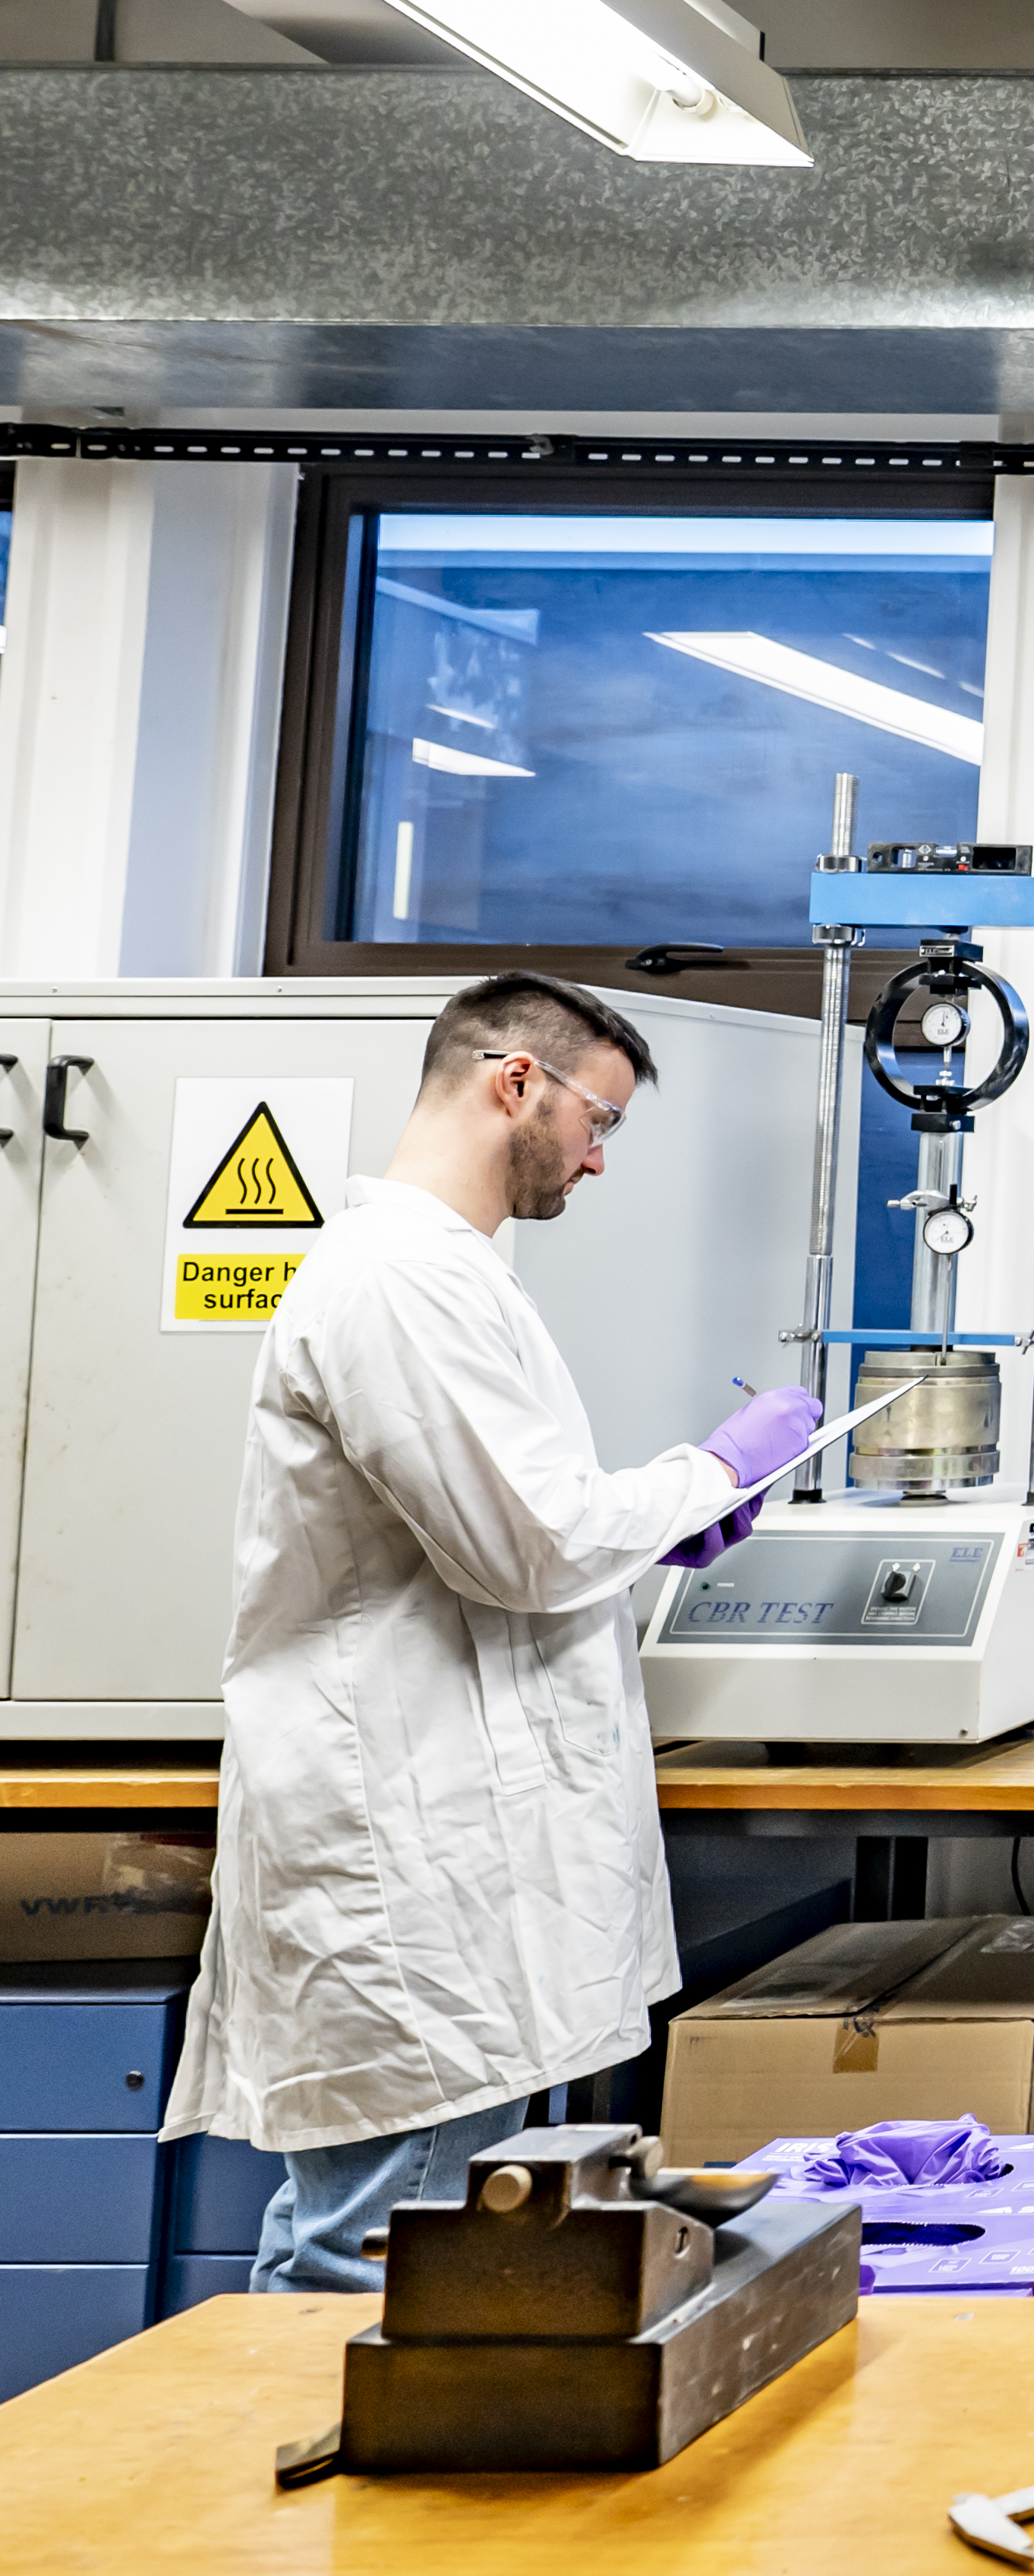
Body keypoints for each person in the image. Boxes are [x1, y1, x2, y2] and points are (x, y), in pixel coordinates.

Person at [162, 975, 818, 2288]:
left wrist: (659, 1520)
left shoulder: (448, 1276)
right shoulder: (397, 1281)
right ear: (513, 1080)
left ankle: (327, 2479)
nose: (596, 1157)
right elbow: (535, 1543)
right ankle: (352, 2495)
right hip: (409, 1852)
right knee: (382, 2259)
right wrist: (711, 1474)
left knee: (366, 2244)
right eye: (599, 1121)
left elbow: (527, 1525)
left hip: (449, 1841)